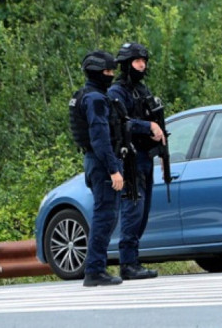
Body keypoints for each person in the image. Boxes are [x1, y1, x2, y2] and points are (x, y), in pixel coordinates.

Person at [109, 42, 166, 280]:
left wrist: (162, 153)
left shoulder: (142, 90)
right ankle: (128, 263)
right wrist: (147, 126)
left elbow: (156, 118)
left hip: (146, 158)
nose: (141, 65)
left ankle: (133, 260)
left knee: (143, 213)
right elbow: (120, 124)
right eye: (136, 61)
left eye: (143, 61)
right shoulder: (116, 93)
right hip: (129, 159)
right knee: (133, 210)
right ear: (126, 64)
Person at [69, 50, 126, 287]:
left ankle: (96, 267)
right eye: (107, 72)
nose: (111, 76)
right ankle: (94, 270)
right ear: (96, 72)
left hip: (94, 161)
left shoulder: (84, 95)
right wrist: (114, 169)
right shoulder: (95, 99)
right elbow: (100, 138)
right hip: (102, 162)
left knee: (105, 214)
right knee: (105, 215)